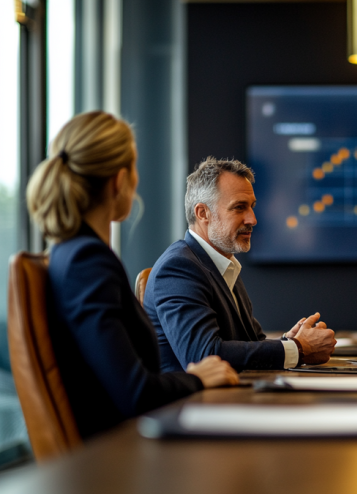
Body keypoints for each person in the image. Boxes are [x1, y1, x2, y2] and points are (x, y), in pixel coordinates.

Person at [26, 111, 239, 440]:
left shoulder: (69, 253)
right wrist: (198, 377)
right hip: (116, 462)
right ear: (119, 180)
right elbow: (135, 394)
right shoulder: (88, 261)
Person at [143, 157, 336, 372]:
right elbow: (204, 356)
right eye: (239, 207)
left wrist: (288, 342)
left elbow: (251, 342)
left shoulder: (222, 263)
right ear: (202, 213)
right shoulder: (178, 268)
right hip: (196, 404)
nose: (252, 219)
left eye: (251, 207)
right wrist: (298, 349)